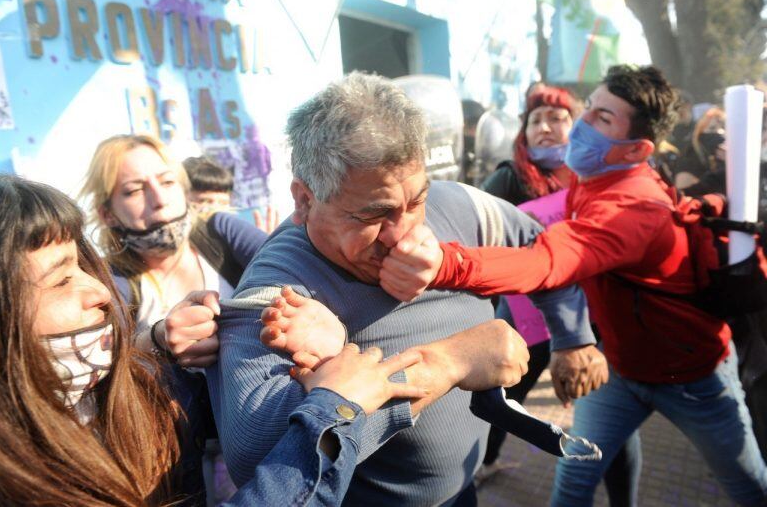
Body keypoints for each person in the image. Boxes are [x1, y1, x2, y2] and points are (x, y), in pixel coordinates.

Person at [208, 71, 597, 506]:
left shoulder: (458, 205)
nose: (406, 235)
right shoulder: (277, 294)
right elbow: (258, 464)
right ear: (305, 199)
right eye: (374, 215)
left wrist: (572, 337)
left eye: (415, 203)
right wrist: (444, 363)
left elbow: (540, 250)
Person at [415, 65, 767, 506]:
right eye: (591, 108)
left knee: (749, 485)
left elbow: (546, 259)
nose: (582, 125)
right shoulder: (592, 177)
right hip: (620, 369)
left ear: (636, 148)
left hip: (695, 379)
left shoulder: (634, 207)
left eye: (603, 119)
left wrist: (440, 261)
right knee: (573, 481)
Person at [0, 174, 429, 506]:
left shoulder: (111, 393)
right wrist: (331, 411)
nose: (97, 294)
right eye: (59, 280)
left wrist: (167, 351)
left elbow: (216, 407)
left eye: (167, 181)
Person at [79, 134, 268, 500]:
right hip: (176, 458)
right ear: (107, 213)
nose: (159, 199)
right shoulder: (112, 278)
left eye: (166, 181)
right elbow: (105, 350)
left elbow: (291, 267)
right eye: (134, 190)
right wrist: (158, 339)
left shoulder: (219, 233)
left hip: (260, 427)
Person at [477, 85, 639, 504]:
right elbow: (481, 241)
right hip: (523, 319)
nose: (546, 128)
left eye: (558, 118)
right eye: (536, 120)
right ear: (523, 132)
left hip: (591, 320)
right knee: (502, 399)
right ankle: (483, 463)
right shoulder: (507, 178)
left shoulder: (595, 178)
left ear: (576, 126)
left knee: (611, 421)